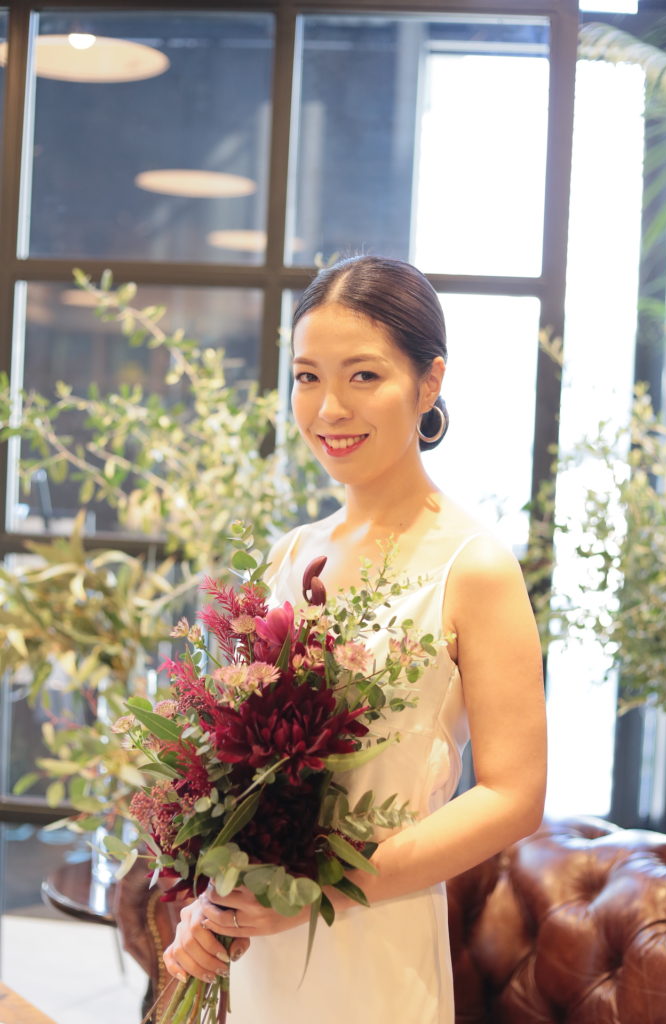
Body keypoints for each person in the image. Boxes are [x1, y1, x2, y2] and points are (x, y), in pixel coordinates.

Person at [163, 255, 547, 1022]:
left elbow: (513, 797)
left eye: (363, 375)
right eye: (307, 377)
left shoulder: (474, 565)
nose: (330, 407)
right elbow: (241, 781)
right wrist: (210, 902)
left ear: (428, 383)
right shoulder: (289, 555)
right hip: (260, 957)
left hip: (376, 954)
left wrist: (316, 890)